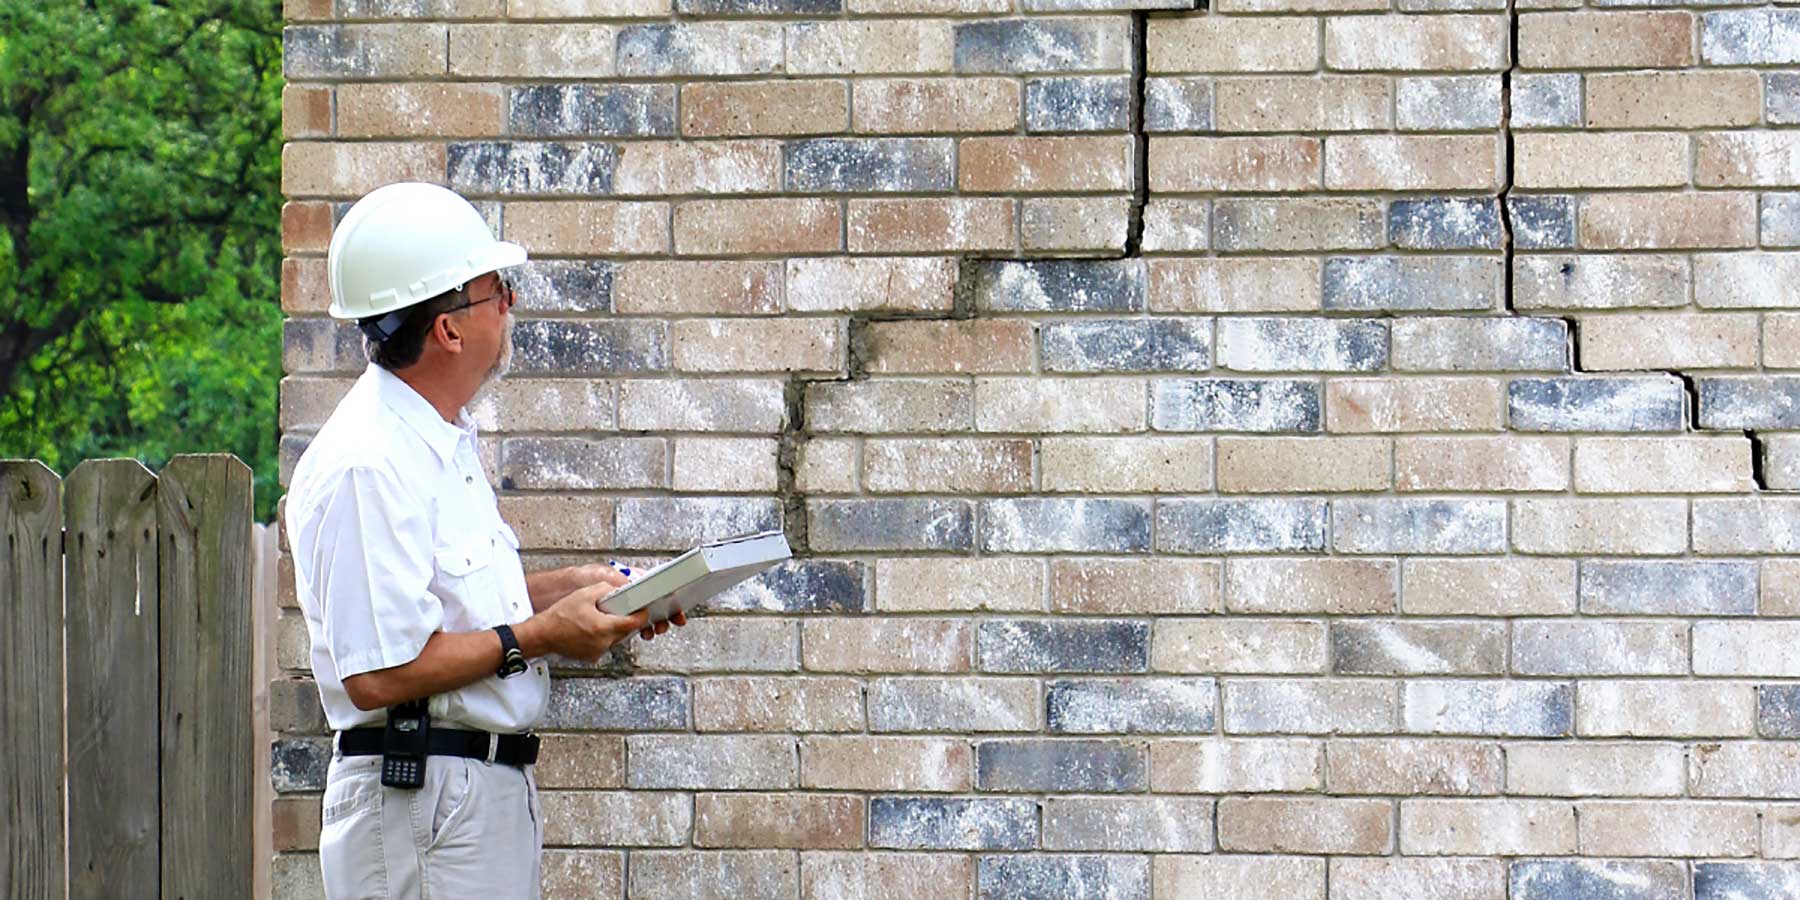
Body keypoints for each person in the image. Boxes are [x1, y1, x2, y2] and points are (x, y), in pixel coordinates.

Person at [286, 182, 682, 899]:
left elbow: (435, 605)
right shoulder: (367, 462)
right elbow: (377, 671)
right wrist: (540, 635)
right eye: (497, 287)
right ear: (448, 328)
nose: (511, 303)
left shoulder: (434, 438)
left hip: (461, 800)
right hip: (423, 804)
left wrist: (572, 592)